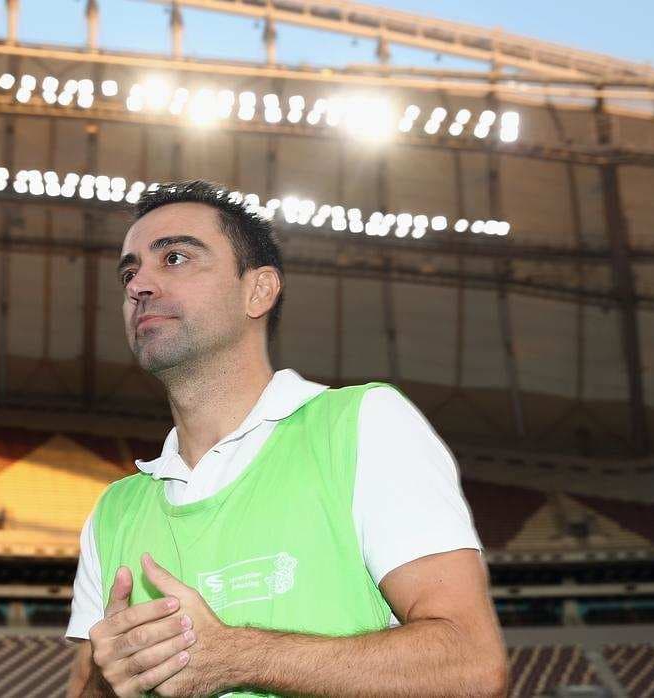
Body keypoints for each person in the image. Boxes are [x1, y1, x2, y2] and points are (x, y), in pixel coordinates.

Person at [64, 180, 508, 697]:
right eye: (129, 272)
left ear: (258, 291)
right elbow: (87, 688)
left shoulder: (362, 425)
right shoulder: (114, 511)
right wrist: (108, 679)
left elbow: (472, 667)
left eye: (175, 258)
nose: (139, 285)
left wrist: (237, 657)